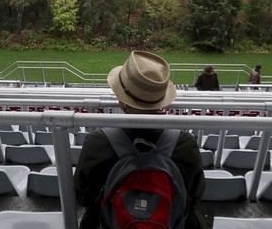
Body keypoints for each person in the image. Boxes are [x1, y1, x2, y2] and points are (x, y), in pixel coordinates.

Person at [75, 51, 212, 229]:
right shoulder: (185, 143)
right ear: (162, 101)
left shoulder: (97, 142)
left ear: (122, 101)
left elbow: (82, 196)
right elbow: (195, 197)